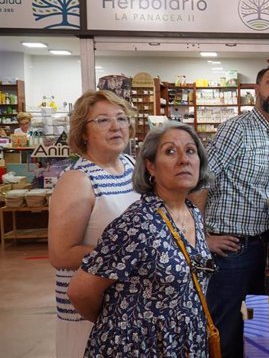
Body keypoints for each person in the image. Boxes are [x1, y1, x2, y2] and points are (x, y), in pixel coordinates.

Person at [67, 121, 215, 356]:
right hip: (140, 348)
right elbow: (80, 291)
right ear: (151, 167)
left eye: (190, 151)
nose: (184, 159)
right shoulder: (137, 224)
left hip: (185, 341)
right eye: (170, 151)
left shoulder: (192, 212)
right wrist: (123, 325)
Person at [189, 63, 269, 358]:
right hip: (229, 248)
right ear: (256, 90)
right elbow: (201, 181)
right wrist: (202, 237)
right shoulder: (237, 128)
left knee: (251, 324)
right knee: (226, 327)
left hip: (258, 245)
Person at [48, 90, 140, 357]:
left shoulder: (131, 165)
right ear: (83, 132)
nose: (116, 127)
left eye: (121, 118)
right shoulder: (77, 179)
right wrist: (132, 255)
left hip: (124, 307)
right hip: (89, 311)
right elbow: (61, 254)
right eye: (102, 120)